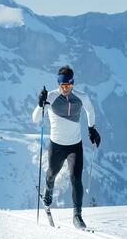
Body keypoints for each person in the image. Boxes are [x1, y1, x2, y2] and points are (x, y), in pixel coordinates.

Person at [32, 65, 101, 229]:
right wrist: (40, 104)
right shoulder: (51, 97)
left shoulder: (81, 97)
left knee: (76, 179)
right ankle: (47, 194)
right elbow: (35, 119)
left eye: (68, 85)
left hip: (74, 146)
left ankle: (77, 216)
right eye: (62, 85)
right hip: (57, 146)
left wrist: (92, 128)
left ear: (73, 84)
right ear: (58, 84)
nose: (65, 89)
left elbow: (90, 110)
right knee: (51, 175)